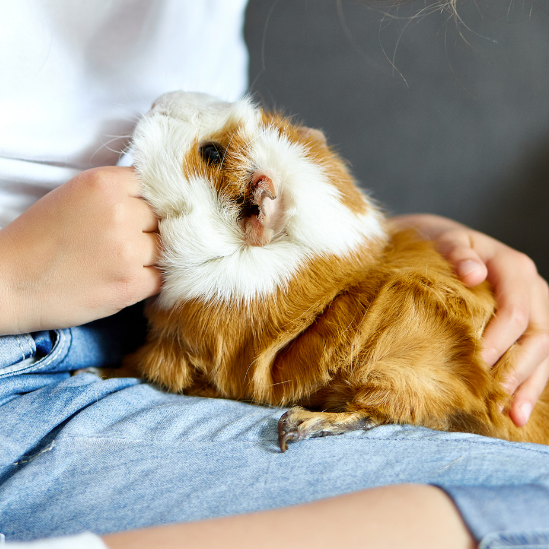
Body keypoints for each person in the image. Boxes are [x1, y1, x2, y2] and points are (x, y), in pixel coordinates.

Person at [1, 1, 548, 548]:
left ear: (254, 215)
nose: (167, 105)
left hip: (131, 351)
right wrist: (16, 280)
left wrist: (385, 245)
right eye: (212, 152)